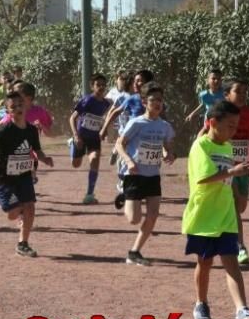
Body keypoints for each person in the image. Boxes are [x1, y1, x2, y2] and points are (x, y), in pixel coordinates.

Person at [184, 100, 249, 319]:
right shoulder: (201, 146)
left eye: (236, 126)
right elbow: (203, 179)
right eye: (229, 126)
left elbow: (228, 178)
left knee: (231, 261)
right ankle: (201, 304)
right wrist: (232, 170)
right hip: (204, 216)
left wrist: (238, 193)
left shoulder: (227, 147)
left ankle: (242, 310)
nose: (233, 131)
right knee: (204, 263)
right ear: (213, 122)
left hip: (225, 215)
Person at [0, 91, 54, 257]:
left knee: (30, 206)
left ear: (25, 106)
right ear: (8, 111)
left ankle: (23, 243)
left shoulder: (31, 130)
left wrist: (45, 159)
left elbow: (37, 150)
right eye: (13, 106)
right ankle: (20, 214)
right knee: (13, 213)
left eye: (20, 104)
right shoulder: (5, 128)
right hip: (6, 181)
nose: (18, 108)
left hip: (24, 177)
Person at [114, 84, 175, 266]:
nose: (157, 103)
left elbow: (166, 146)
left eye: (160, 100)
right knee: (134, 219)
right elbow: (119, 144)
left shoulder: (165, 126)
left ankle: (134, 252)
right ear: (144, 102)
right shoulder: (136, 123)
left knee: (153, 215)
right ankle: (125, 196)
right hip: (134, 175)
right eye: (153, 100)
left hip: (153, 175)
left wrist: (168, 154)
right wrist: (129, 162)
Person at [218, 78, 249, 264]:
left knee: (241, 207)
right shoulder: (219, 112)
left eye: (245, 91)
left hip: (245, 165)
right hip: (226, 165)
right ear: (227, 94)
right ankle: (240, 247)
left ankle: (229, 238)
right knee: (235, 207)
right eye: (239, 91)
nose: (243, 95)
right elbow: (206, 132)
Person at [100, 69, 155, 208]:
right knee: (126, 164)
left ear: (148, 83)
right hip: (129, 138)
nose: (136, 83)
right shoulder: (131, 98)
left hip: (148, 139)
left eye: (140, 80)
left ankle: (134, 188)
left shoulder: (155, 100)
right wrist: (104, 129)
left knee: (144, 166)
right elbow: (114, 112)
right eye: (135, 80)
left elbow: (162, 118)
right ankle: (124, 187)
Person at [68, 73, 112, 204]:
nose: (101, 87)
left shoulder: (106, 104)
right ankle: (71, 144)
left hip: (94, 138)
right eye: (98, 85)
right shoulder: (87, 100)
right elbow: (72, 118)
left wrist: (103, 130)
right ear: (92, 86)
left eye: (103, 85)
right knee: (76, 165)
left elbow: (101, 119)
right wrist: (76, 136)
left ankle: (89, 194)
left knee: (95, 160)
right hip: (81, 137)